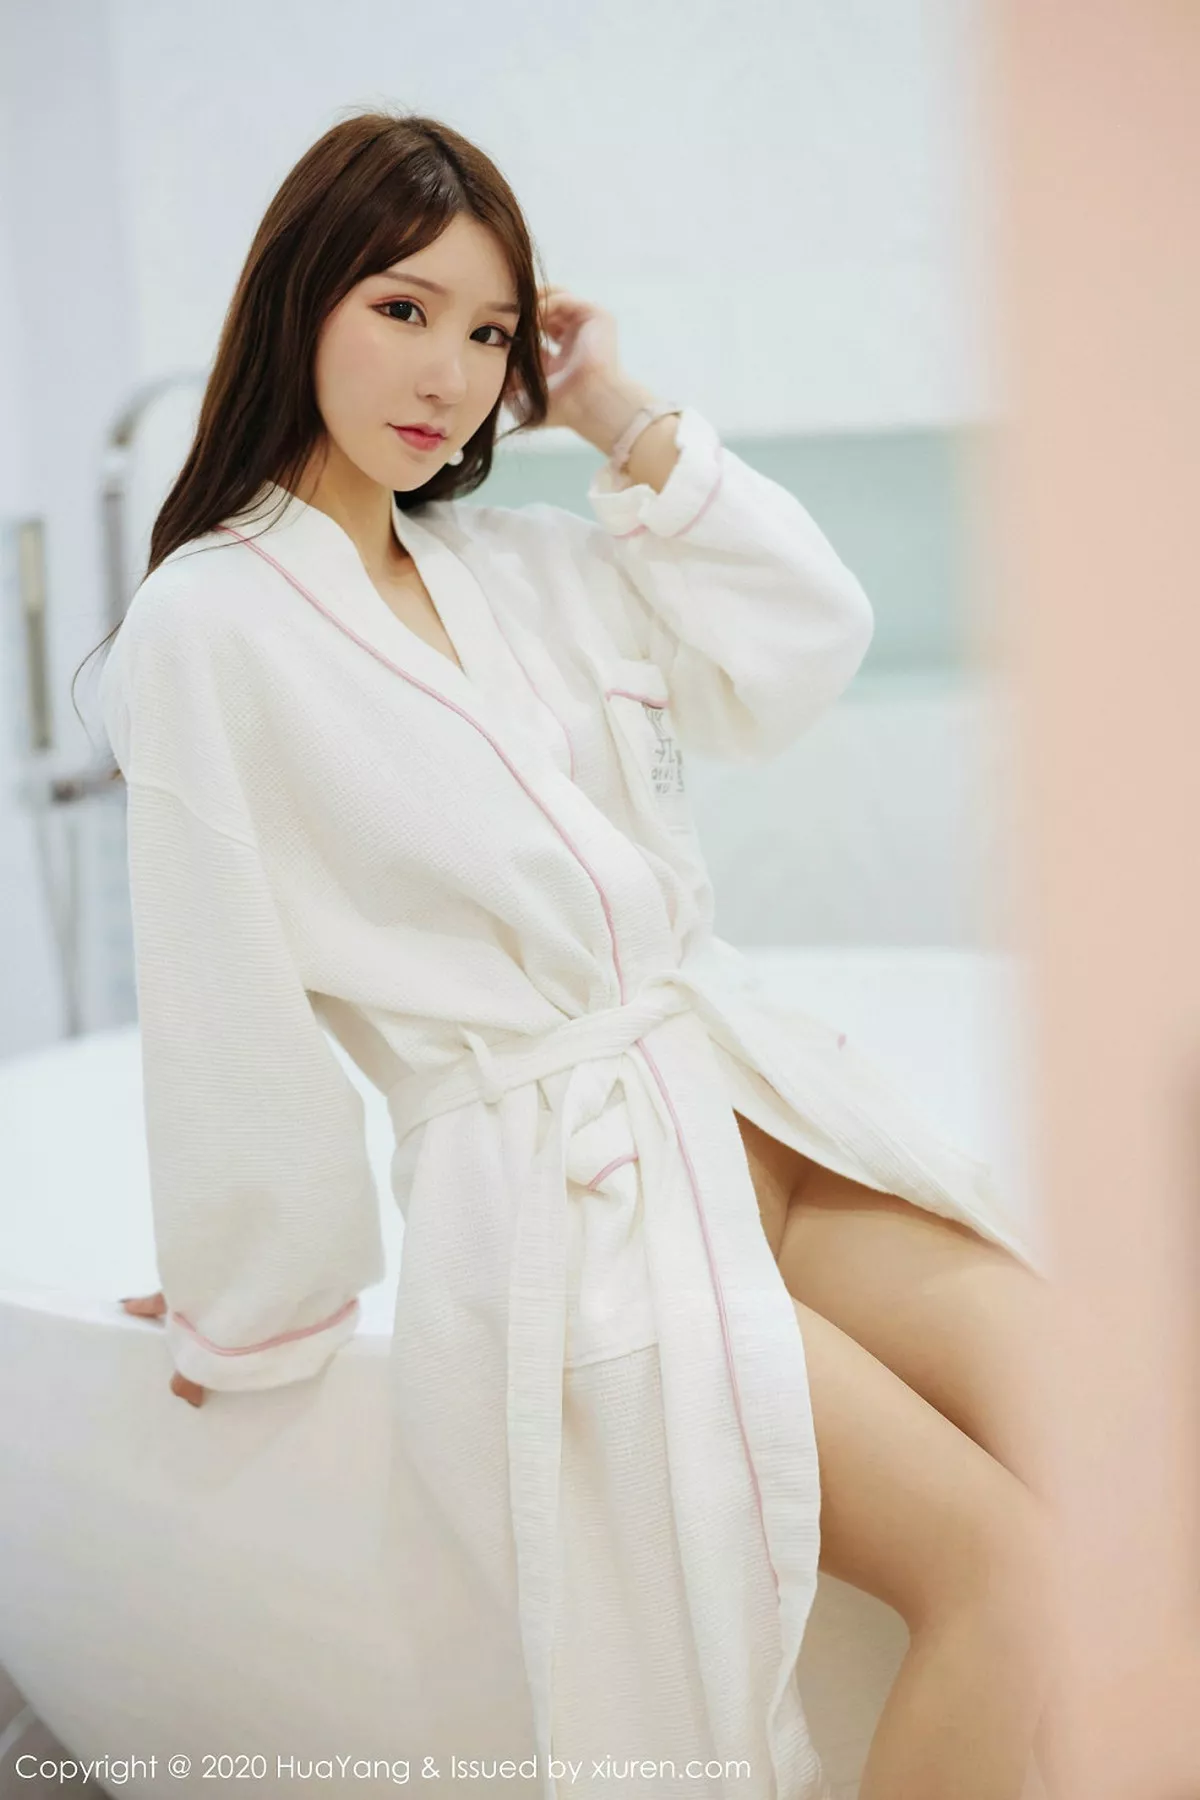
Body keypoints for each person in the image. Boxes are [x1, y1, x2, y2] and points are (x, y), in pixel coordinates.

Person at [86, 109, 1060, 1800]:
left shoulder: (529, 568)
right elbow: (219, 985)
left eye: (486, 334)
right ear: (301, 297)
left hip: (743, 1111)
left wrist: (610, 408)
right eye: (401, 308)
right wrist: (246, 1294)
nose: (447, 374)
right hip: (575, 1195)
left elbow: (802, 641)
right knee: (1016, 1572)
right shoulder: (208, 625)